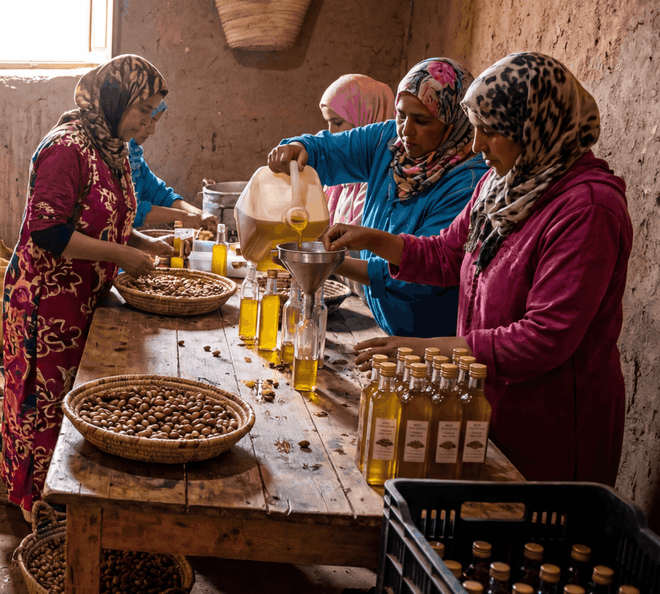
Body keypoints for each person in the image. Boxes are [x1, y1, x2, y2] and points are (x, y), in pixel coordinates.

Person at [323, 52, 630, 485]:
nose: (476, 145)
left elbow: (546, 338)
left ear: (534, 130)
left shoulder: (588, 209)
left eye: (491, 132)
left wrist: (426, 349)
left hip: (550, 421)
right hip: (484, 397)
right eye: (476, 128)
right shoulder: (500, 184)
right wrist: (370, 238)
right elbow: (448, 256)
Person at [0, 54, 174, 517]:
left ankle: (69, 503)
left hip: (83, 300)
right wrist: (122, 256)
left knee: (74, 404)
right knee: (43, 406)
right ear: (115, 101)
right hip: (46, 303)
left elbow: (110, 220)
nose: (149, 124)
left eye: (154, 113)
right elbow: (48, 232)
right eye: (142, 112)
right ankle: (37, 509)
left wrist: (148, 243)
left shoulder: (113, 149)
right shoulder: (67, 148)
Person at [269, 58, 488, 337]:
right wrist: (298, 147)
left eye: (421, 120)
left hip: (432, 341)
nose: (406, 131)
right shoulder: (389, 143)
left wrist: (328, 262)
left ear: (453, 122)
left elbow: (424, 275)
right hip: (387, 326)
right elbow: (327, 150)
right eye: (401, 115)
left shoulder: (467, 183)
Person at [317, 74, 396, 225]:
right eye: (328, 123)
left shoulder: (383, 179)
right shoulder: (338, 174)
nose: (331, 132)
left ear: (366, 116)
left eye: (337, 122)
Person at [128, 101, 214, 229]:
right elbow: (128, 211)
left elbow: (161, 195)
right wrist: (183, 217)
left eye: (154, 122)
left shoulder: (135, 159)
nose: (152, 130)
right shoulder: (109, 157)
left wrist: (201, 215)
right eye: (149, 121)